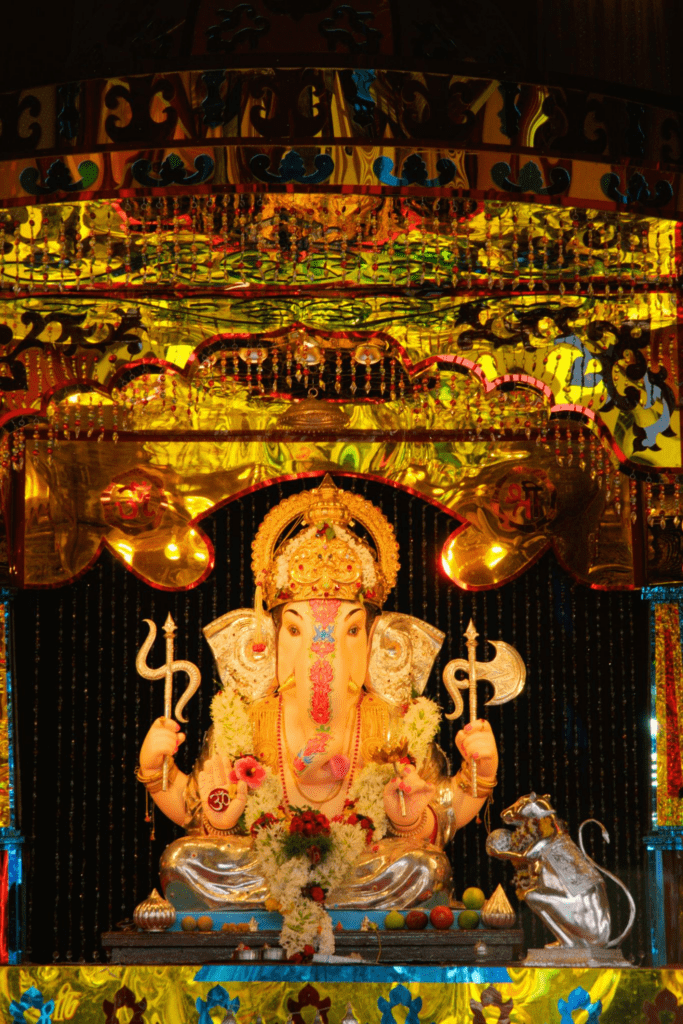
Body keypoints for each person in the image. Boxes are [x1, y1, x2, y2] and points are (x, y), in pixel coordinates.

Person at [137, 476, 498, 910]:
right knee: (183, 860)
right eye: (295, 630)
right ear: (270, 640)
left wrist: (455, 789)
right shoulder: (248, 720)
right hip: (266, 870)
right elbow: (200, 809)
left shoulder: (394, 722)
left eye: (351, 631)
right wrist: (162, 774)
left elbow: (442, 812)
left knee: (424, 869)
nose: (321, 654)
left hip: (366, 865)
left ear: (375, 638)